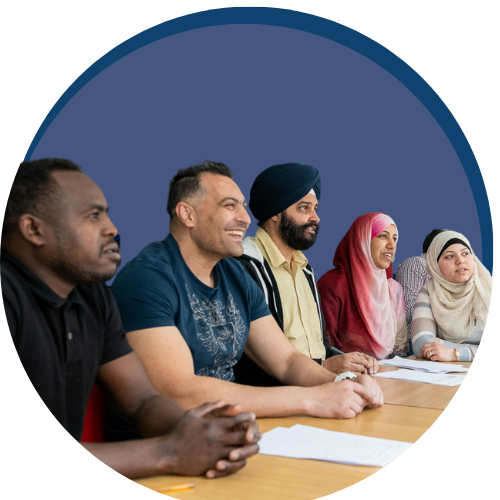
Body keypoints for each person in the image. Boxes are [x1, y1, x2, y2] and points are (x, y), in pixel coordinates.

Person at [1, 158, 261, 480]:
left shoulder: (92, 296)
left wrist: (199, 431)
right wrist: (169, 452)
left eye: (107, 214)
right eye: (93, 215)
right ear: (34, 229)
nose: (112, 229)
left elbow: (141, 400)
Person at [109, 160, 383, 439]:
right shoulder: (146, 280)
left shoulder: (234, 275)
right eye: (230, 206)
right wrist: (311, 400)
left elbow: (286, 360)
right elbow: (179, 393)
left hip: (232, 431)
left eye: (242, 205)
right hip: (163, 448)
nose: (246, 218)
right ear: (187, 215)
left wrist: (343, 384)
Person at [233, 163, 378, 387]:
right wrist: (324, 368)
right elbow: (251, 362)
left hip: (321, 385)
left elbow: (317, 346)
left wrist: (348, 361)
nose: (315, 218)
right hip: (278, 398)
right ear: (275, 212)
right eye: (304, 208)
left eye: (315, 208)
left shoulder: (305, 269)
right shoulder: (244, 266)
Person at [317, 212, 408, 360]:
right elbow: (325, 347)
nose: (392, 245)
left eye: (395, 238)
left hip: (388, 375)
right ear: (363, 240)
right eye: (383, 236)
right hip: (344, 375)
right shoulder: (333, 284)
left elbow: (399, 351)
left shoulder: (393, 289)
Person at [411, 230, 492, 361]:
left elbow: (435, 348)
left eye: (465, 253)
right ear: (434, 265)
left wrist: (455, 353)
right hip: (447, 376)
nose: (460, 261)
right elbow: (421, 343)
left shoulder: (489, 288)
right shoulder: (428, 292)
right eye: (449, 256)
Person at [395, 229, 446, 353]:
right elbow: (408, 308)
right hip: (416, 341)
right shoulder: (417, 263)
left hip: (440, 343)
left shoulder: (445, 271)